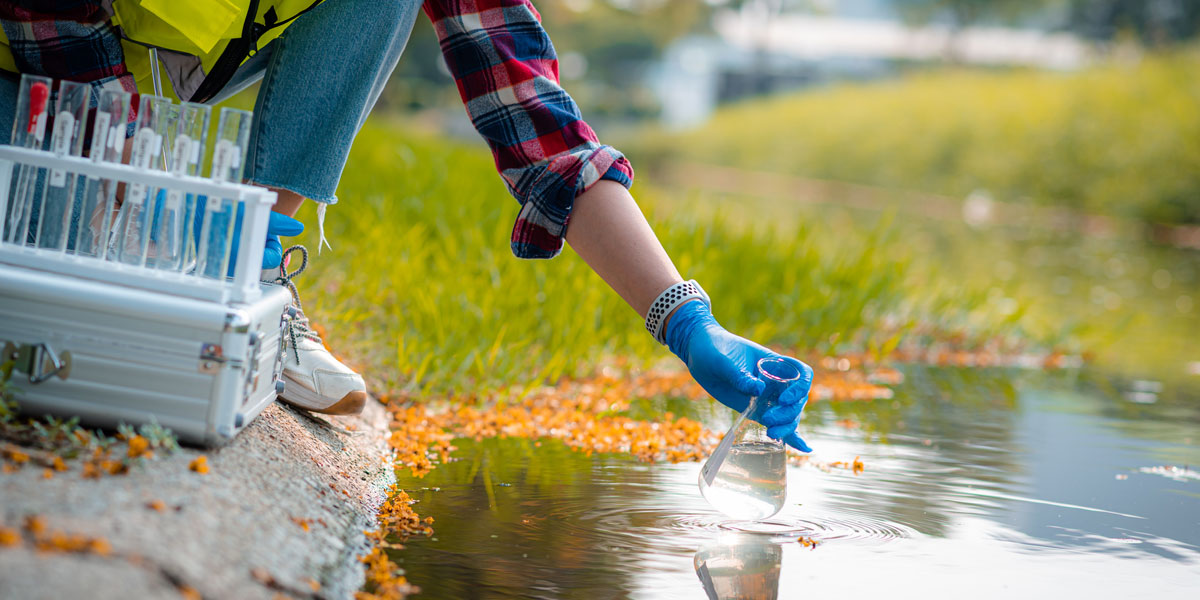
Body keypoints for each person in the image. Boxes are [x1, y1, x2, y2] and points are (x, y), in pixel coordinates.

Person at [0, 0, 814, 452]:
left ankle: (255, 268)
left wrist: (687, 320)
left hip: (161, 83)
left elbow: (539, 129)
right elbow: (56, 35)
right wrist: (131, 218)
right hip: (30, 70)